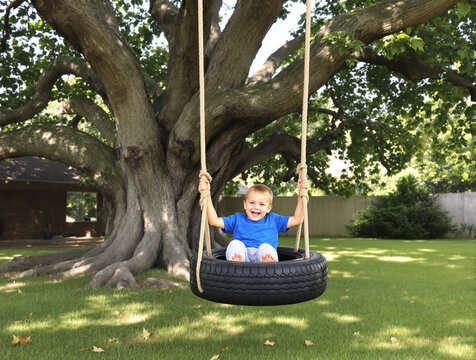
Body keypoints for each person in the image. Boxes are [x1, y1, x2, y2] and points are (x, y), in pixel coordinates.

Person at [198, 178, 309, 263]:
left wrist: (301, 195)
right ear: (245, 204)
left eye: (261, 204)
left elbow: (297, 219)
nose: (256, 207)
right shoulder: (237, 219)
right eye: (252, 203)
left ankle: (268, 263)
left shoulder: (274, 220)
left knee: (265, 247)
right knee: (235, 243)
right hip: (243, 256)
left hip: (263, 257)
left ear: (268, 208)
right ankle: (236, 262)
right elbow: (214, 221)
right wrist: (206, 196)